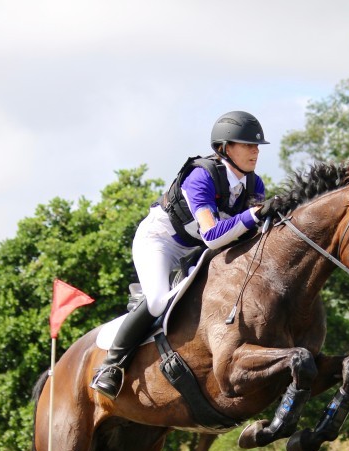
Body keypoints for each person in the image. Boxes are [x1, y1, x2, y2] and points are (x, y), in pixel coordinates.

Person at [90, 110, 275, 399]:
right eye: (247, 145)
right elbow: (213, 235)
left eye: (257, 146)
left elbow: (245, 235)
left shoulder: (254, 184)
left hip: (194, 249)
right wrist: (253, 215)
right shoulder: (200, 176)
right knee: (156, 302)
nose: (255, 152)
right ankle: (111, 365)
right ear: (225, 148)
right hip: (160, 242)